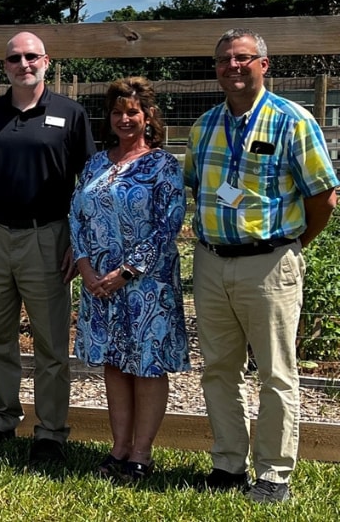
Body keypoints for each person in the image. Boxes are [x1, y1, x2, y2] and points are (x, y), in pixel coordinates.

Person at [186, 28, 338, 503]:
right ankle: (228, 466)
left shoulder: (293, 121)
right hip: (211, 263)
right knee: (218, 369)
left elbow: (324, 197)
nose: (233, 66)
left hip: (269, 264)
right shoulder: (204, 125)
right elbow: (197, 186)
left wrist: (290, 245)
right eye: (224, 60)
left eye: (243, 58)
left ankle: (273, 475)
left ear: (263, 65)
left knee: (276, 374)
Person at [0, 31, 96, 463]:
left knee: (51, 342)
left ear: (47, 61)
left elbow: (87, 185)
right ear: (5, 67)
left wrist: (81, 240)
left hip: (49, 237)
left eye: (31, 56)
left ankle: (51, 432)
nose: (23, 64)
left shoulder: (71, 115)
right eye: (14, 58)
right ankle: (1, 420)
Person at [69, 77, 189, 481]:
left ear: (148, 116)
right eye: (118, 112)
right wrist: (86, 269)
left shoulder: (163, 166)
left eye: (132, 112)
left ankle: (142, 453)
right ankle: (118, 448)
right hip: (98, 284)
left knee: (147, 367)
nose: (124, 119)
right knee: (115, 365)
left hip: (147, 286)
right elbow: (77, 217)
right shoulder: (95, 164)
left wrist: (126, 272)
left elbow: (167, 225)